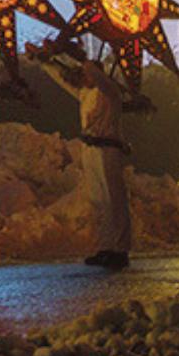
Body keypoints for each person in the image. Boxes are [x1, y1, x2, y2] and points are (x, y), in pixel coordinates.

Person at [34, 45, 132, 269]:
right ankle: (106, 247)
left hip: (108, 149)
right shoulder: (85, 93)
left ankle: (120, 249)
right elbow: (62, 79)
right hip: (90, 149)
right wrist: (43, 61)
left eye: (88, 74)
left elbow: (100, 78)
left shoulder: (110, 93)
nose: (84, 77)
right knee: (98, 201)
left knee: (113, 200)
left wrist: (82, 59)